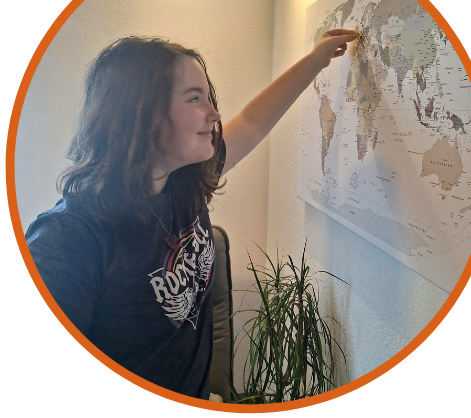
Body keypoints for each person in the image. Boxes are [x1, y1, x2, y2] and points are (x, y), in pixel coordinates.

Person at [25, 29, 356, 400]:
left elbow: (251, 121)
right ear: (141, 114)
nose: (214, 114)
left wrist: (317, 58)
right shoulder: (67, 238)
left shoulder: (182, 186)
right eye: (194, 99)